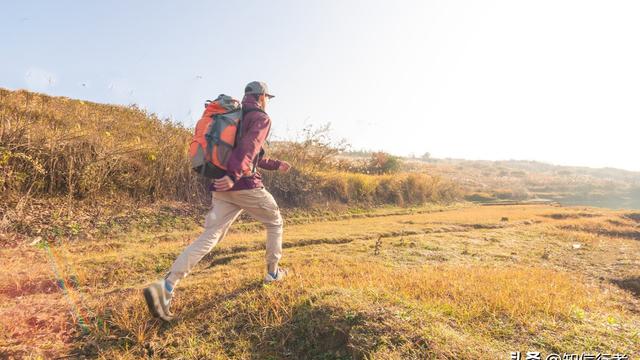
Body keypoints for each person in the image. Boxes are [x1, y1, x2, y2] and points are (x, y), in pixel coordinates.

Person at [144, 81, 291, 321]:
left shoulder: (232, 116)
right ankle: (273, 273)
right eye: (267, 98)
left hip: (221, 187)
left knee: (209, 237)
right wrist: (234, 176)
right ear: (262, 96)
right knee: (275, 223)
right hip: (243, 184)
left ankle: (167, 286)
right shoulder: (260, 118)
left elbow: (250, 154)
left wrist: (275, 165)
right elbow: (248, 149)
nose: (267, 102)